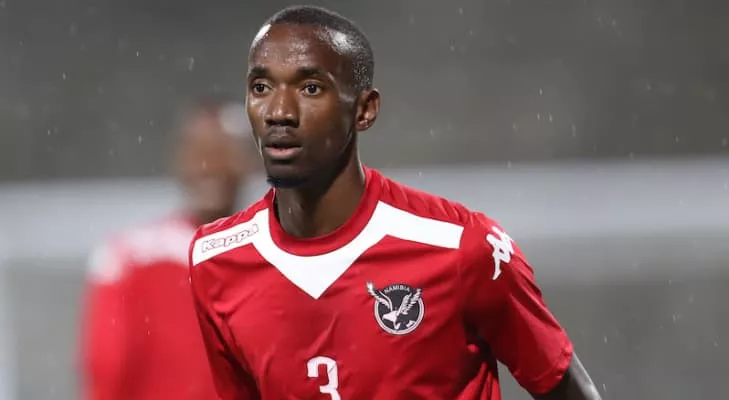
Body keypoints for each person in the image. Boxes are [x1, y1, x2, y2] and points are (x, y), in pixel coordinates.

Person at [189, 6, 601, 400]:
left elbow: (563, 388)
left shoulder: (462, 247)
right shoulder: (215, 261)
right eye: (261, 88)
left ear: (364, 111)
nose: (279, 111)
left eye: (310, 88)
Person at [80, 96, 251, 400]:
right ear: (179, 160)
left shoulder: (283, 255)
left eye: (223, 151)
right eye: (200, 152)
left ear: (249, 162)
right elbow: (106, 371)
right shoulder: (128, 260)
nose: (211, 164)